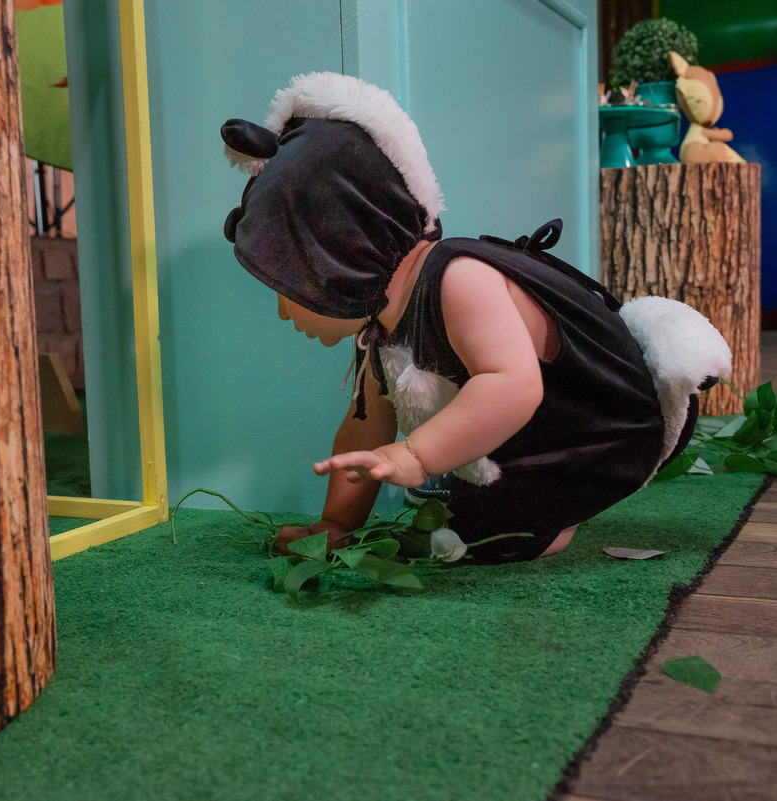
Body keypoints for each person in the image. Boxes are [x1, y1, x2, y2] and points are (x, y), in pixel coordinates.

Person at [221, 72, 731, 563]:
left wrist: (415, 456)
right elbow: (364, 429)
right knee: (459, 512)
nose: (284, 310)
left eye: (287, 286)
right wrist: (336, 524)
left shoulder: (457, 277)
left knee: (486, 537)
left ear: (336, 252)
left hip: (611, 424)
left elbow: (514, 386)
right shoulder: (380, 326)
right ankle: (529, 501)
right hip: (551, 430)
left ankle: (551, 514)